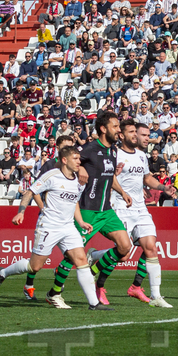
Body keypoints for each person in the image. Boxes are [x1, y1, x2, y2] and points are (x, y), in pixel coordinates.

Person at [0, 146, 108, 310]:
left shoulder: (77, 180)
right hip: (49, 226)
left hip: (68, 227)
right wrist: (21, 212)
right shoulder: (52, 176)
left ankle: (94, 304)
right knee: (34, 266)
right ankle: (2, 273)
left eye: (79, 158)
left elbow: (74, 203)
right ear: (64, 160)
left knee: (81, 261)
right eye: (75, 158)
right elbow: (30, 192)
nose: (79, 161)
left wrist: (80, 222)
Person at [52, 112, 135, 306]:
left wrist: (122, 192)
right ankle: (54, 292)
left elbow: (109, 176)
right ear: (104, 129)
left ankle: (92, 272)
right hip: (88, 209)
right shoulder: (88, 148)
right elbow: (62, 161)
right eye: (115, 126)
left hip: (106, 210)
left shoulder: (113, 150)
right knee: (72, 254)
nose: (119, 130)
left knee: (125, 247)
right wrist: (78, 167)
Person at [90, 122, 173, 308]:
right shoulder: (114, 154)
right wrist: (118, 183)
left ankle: (154, 295)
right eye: (132, 132)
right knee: (124, 254)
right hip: (120, 207)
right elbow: (106, 178)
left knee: (150, 247)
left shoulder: (142, 156)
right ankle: (99, 282)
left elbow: (146, 178)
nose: (136, 136)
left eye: (137, 132)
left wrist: (162, 187)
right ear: (122, 136)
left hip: (140, 208)